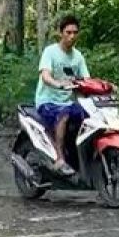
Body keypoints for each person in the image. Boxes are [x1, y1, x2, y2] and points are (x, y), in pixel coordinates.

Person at [36, 15, 89, 175]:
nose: (72, 36)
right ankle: (60, 158)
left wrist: (104, 87)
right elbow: (45, 75)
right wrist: (58, 83)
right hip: (48, 102)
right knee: (63, 115)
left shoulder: (78, 57)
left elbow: (86, 80)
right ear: (61, 33)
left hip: (68, 102)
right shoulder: (50, 52)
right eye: (68, 32)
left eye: (75, 32)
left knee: (90, 117)